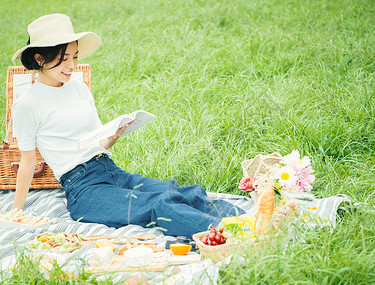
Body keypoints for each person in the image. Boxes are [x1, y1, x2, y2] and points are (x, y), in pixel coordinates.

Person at [11, 13, 246, 237]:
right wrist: (17, 212)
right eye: (63, 59)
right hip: (84, 190)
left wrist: (113, 136)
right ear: (40, 59)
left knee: (175, 191)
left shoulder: (78, 87)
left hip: (109, 169)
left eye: (75, 56)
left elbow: (96, 141)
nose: (72, 65)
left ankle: (252, 221)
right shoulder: (28, 104)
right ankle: (237, 235)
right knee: (158, 205)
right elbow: (28, 161)